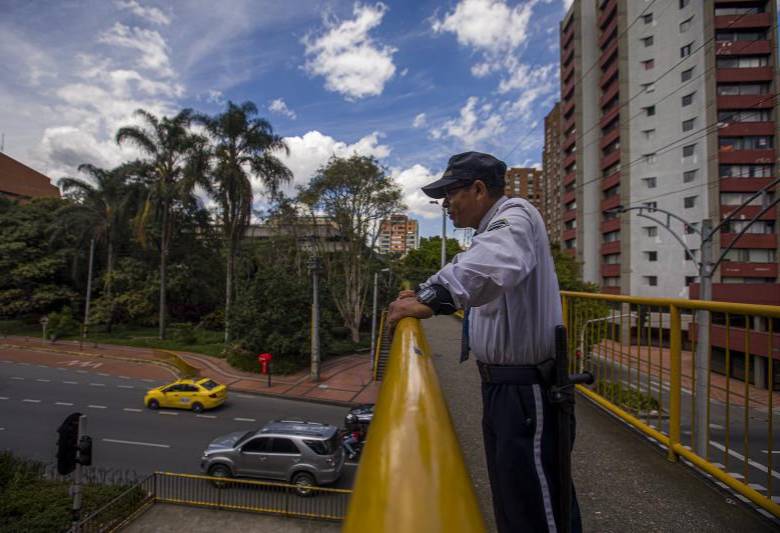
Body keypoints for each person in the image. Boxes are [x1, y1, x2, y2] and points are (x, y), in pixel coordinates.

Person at [387, 151, 581, 533]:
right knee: (512, 500)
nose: (445, 204)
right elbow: (469, 264)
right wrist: (426, 291)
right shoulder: (489, 232)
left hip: (528, 389)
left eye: (450, 193)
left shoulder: (516, 215)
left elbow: (491, 263)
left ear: (478, 189)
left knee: (537, 508)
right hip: (502, 387)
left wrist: (429, 300)